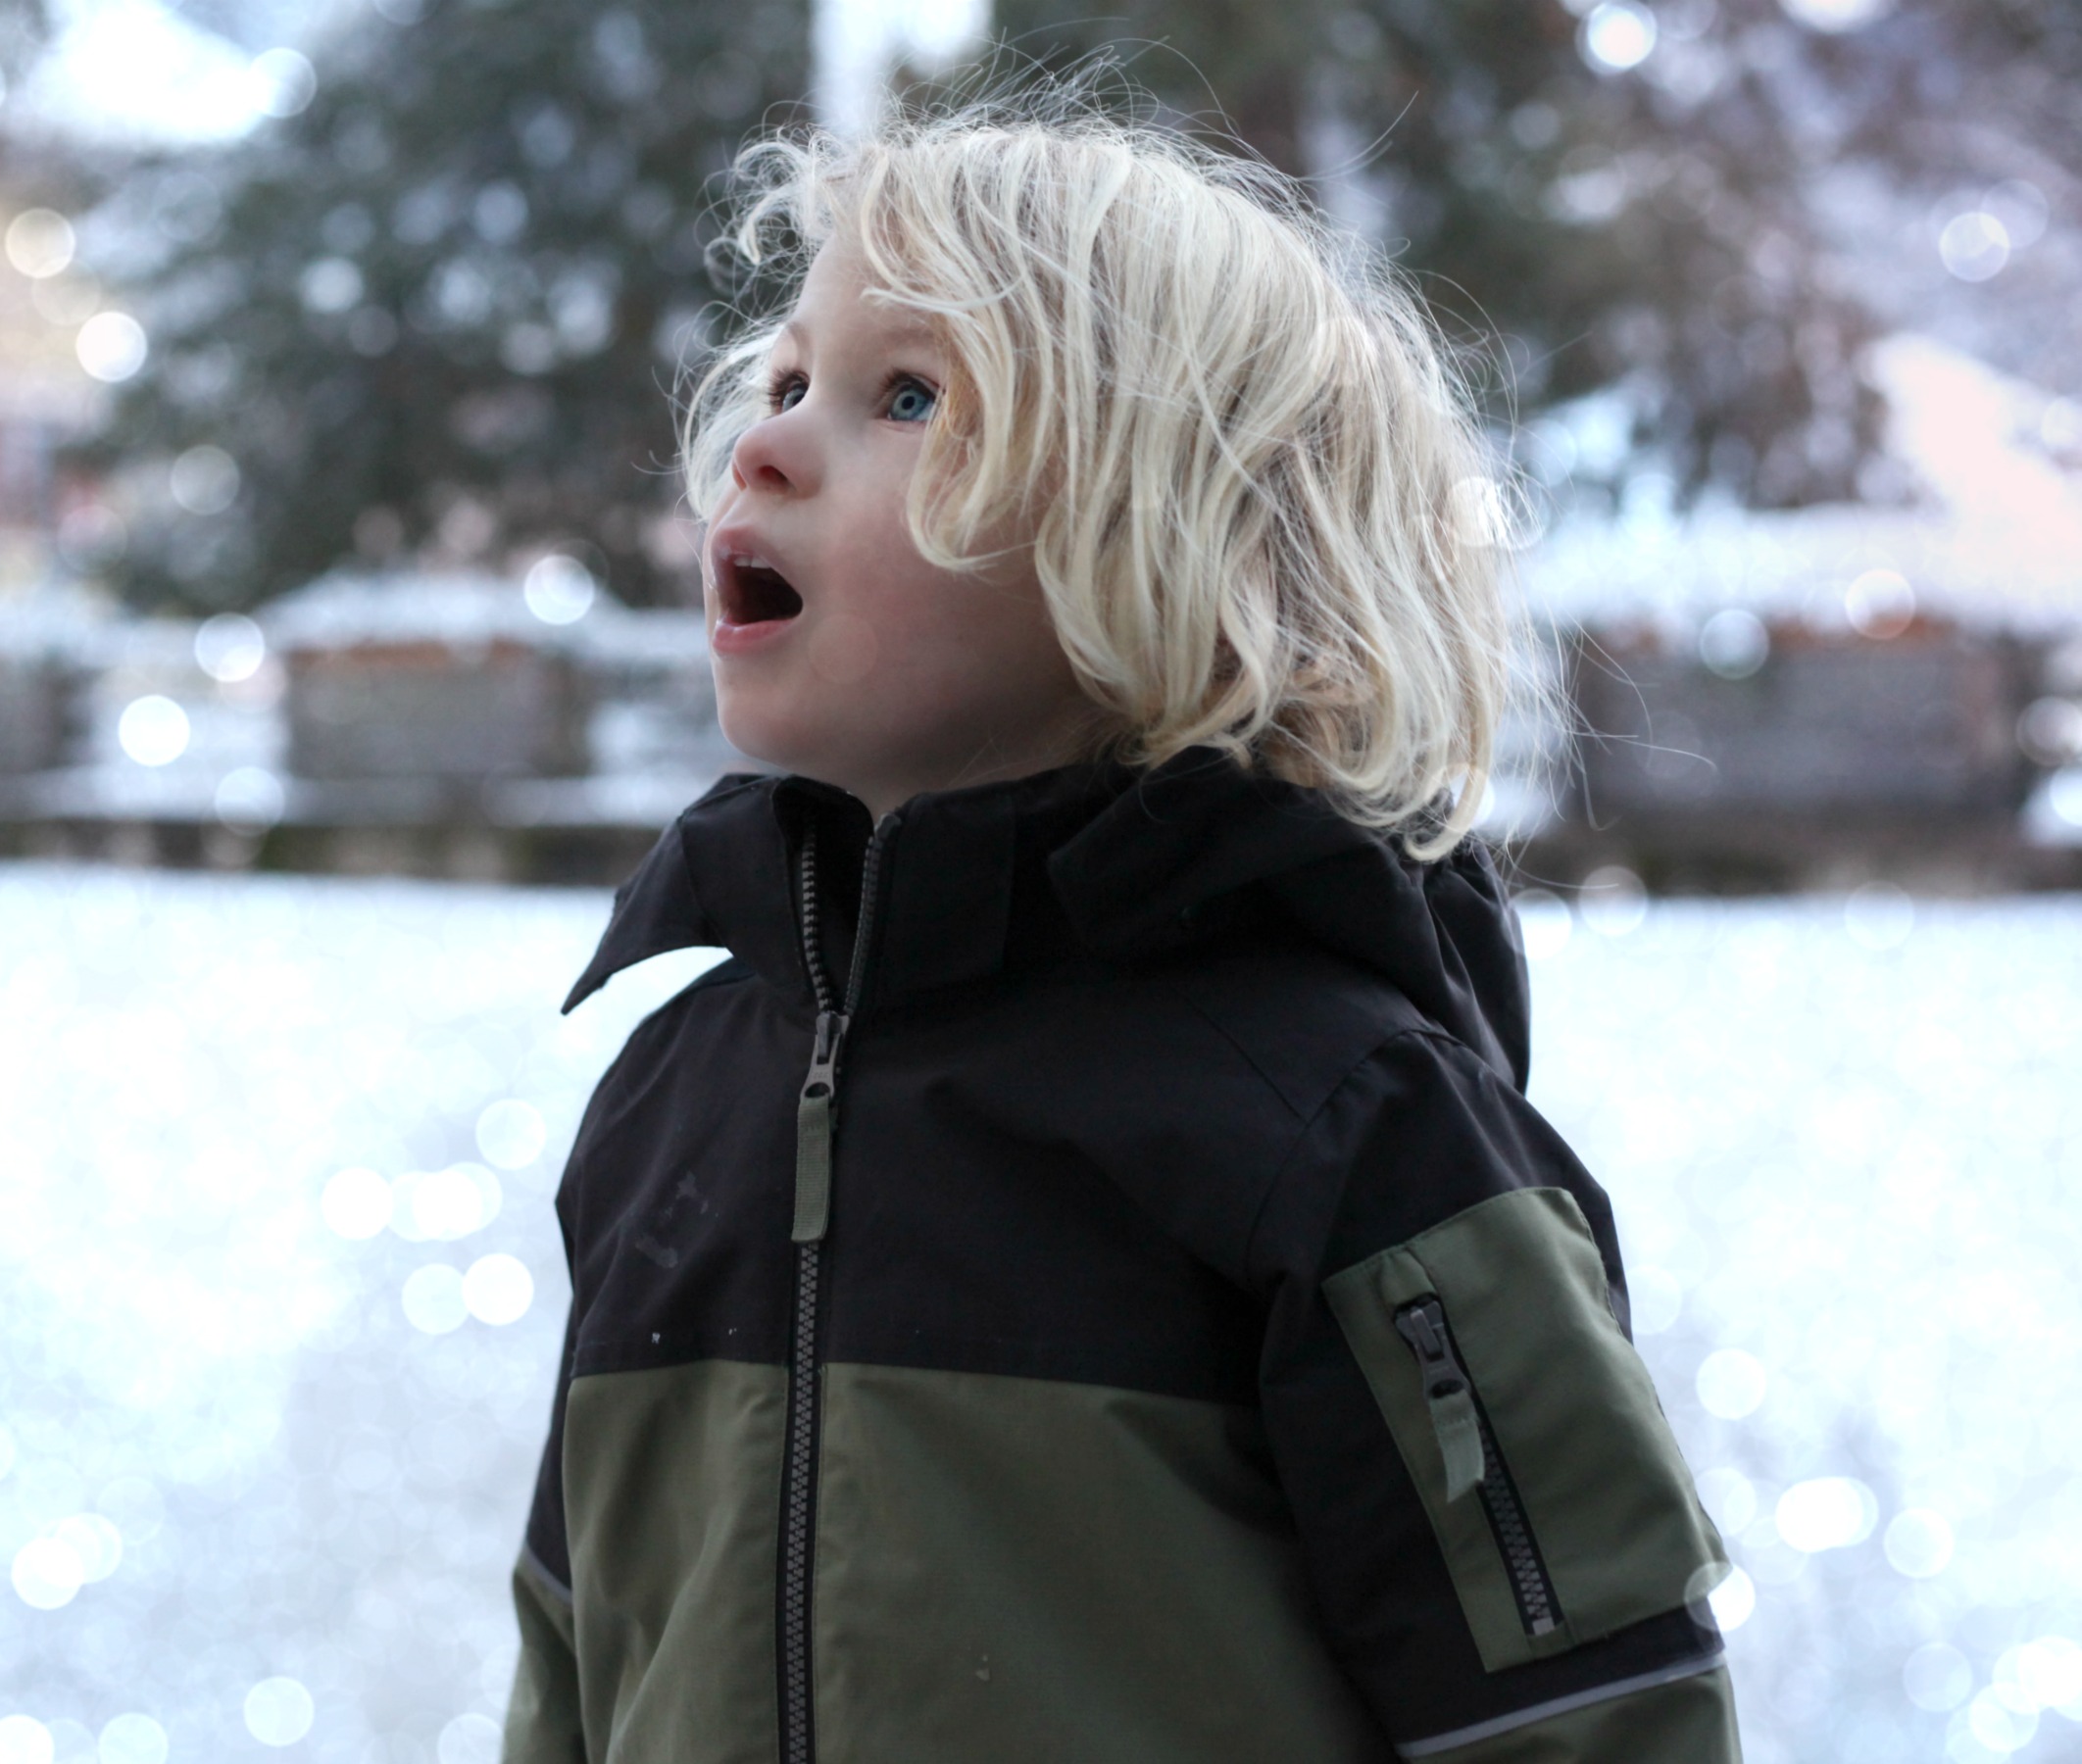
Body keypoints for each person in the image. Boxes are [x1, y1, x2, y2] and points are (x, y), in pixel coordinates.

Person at [503, 93, 1737, 1764]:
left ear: (1180, 537)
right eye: (787, 380)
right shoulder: (670, 1092)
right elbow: (573, 1663)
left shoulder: (1338, 1122)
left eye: (910, 396)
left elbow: (1590, 1713)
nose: (769, 444)